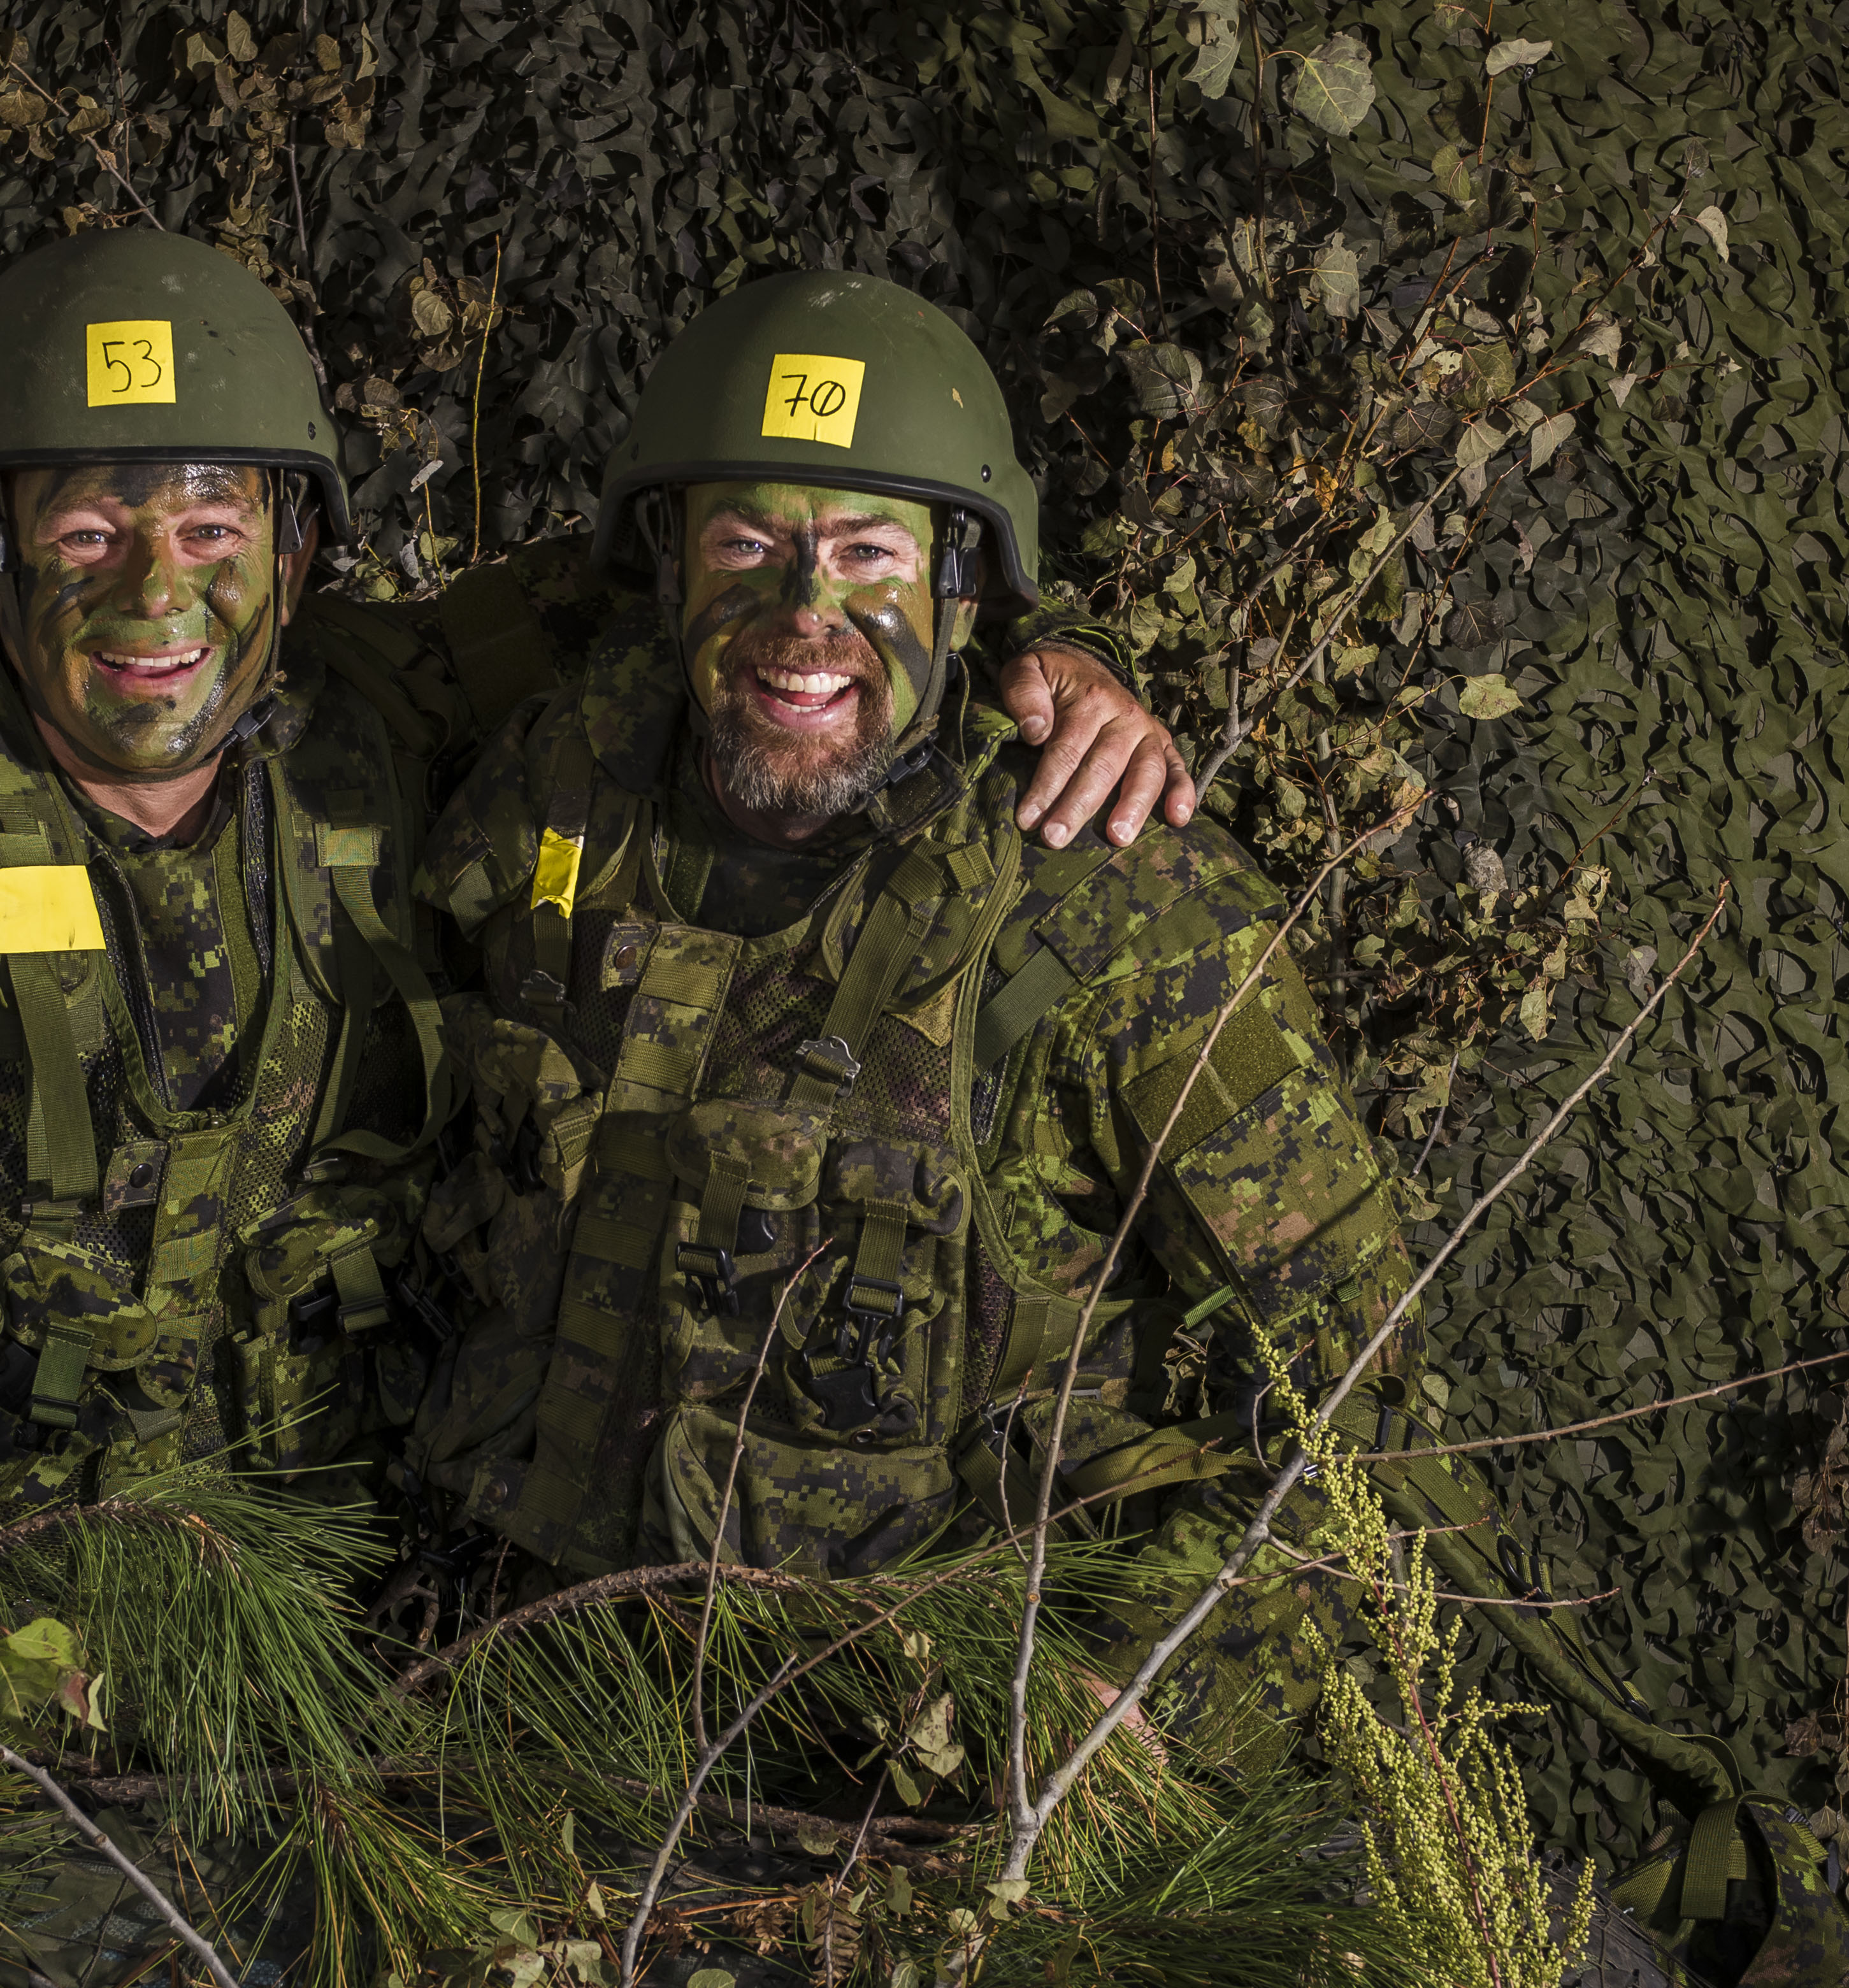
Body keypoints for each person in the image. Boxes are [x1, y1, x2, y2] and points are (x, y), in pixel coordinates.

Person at [0, 234, 1190, 1771]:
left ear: (295, 551)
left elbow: (743, 582)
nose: (154, 603)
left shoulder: (379, 726)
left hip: (290, 1664)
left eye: (209, 533)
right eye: (85, 537)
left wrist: (1045, 641)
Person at [406, 268, 1475, 1759]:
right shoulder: (555, 779)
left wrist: (1122, 1718)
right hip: (527, 1696)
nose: (804, 618)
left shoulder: (1106, 904)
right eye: (745, 546)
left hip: (924, 1755)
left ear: (961, 590)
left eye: (869, 556)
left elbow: (1354, 1395)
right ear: (667, 565)